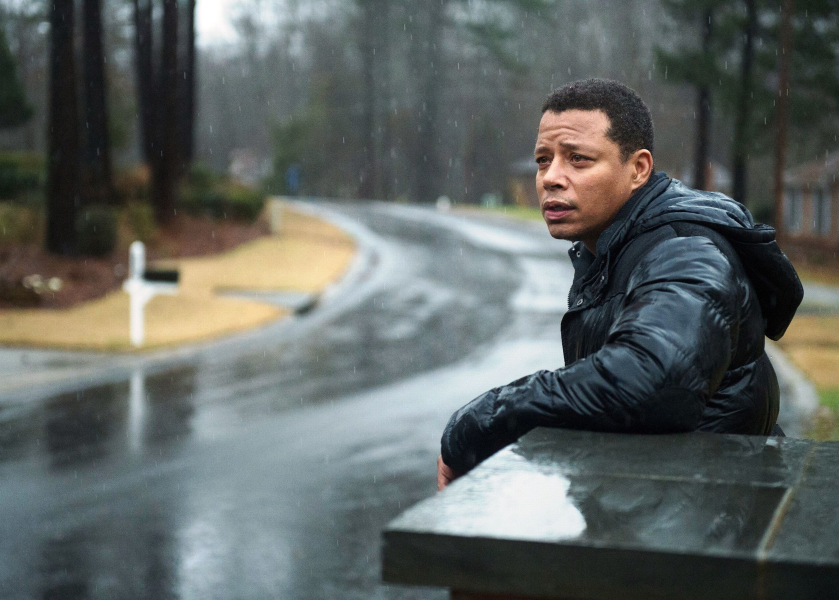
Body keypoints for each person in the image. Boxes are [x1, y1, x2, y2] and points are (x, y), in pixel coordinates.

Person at [437, 78, 802, 491]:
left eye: (578, 159)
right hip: (675, 501)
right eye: (543, 160)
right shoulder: (614, 248)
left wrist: (482, 421)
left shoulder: (684, 249)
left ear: (638, 169)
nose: (550, 177)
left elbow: (651, 382)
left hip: (709, 515)